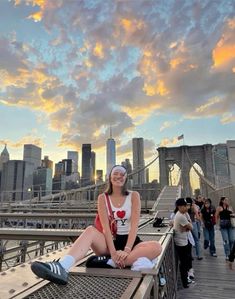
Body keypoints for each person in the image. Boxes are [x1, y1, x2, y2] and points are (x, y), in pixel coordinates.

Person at [31, 165, 162, 285]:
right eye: (115, 173)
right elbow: (105, 228)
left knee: (156, 247)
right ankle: (62, 266)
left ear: (126, 178)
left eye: (122, 174)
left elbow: (134, 226)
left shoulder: (134, 196)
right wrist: (114, 252)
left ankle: (110, 262)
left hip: (131, 243)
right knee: (90, 231)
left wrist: (127, 250)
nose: (119, 176)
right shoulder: (102, 198)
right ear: (110, 177)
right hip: (110, 243)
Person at [173, 197, 193, 288]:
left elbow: (190, 224)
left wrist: (186, 227)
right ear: (179, 207)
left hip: (184, 241)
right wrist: (187, 227)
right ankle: (184, 282)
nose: (186, 207)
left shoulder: (183, 214)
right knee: (184, 263)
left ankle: (185, 279)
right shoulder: (181, 216)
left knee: (185, 261)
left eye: (187, 205)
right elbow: (191, 227)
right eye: (185, 206)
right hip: (181, 243)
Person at [215, 196, 235, 260]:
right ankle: (227, 254)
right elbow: (216, 216)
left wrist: (232, 213)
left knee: (232, 240)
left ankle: (232, 253)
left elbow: (233, 215)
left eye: (228, 200)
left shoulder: (230, 207)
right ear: (222, 201)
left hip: (230, 226)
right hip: (223, 227)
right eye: (226, 200)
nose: (227, 201)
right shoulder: (219, 208)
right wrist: (217, 225)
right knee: (226, 241)